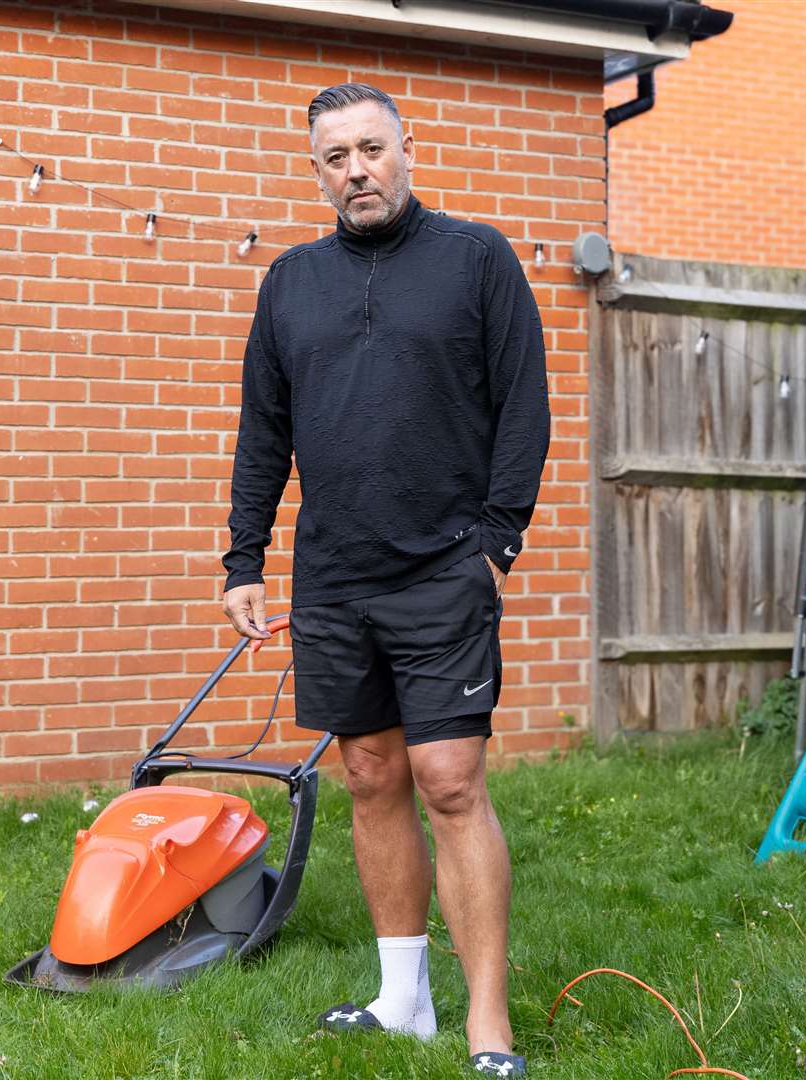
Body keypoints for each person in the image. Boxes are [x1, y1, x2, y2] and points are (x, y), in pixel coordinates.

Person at [221, 82, 549, 1078]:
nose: (355, 170)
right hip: (333, 575)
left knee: (449, 782)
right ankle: (402, 1000)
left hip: (442, 567)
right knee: (368, 774)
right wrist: (245, 556)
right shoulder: (291, 282)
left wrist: (496, 541)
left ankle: (487, 1026)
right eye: (334, 156)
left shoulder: (475, 259)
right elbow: (262, 429)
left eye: (371, 148)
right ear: (315, 169)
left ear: (406, 149)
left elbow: (523, 403)